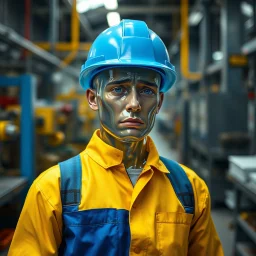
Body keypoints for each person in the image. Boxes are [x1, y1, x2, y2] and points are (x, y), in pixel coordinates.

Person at [9, 19, 224, 255]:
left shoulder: (189, 189)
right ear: (93, 98)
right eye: (118, 89)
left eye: (146, 91)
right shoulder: (54, 190)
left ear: (159, 102)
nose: (134, 104)